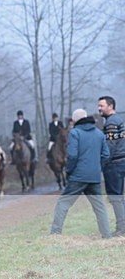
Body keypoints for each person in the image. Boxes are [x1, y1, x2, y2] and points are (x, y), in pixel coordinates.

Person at [49, 109, 111, 238]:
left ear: (75, 120)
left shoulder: (75, 133)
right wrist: (97, 168)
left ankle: (55, 233)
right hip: (94, 177)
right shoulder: (99, 133)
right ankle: (107, 235)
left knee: (63, 203)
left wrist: (69, 171)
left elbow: (72, 155)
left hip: (78, 177)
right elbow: (106, 155)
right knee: (99, 207)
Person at [97, 96, 125, 236]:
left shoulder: (111, 123)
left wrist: (103, 163)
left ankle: (121, 229)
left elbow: (110, 146)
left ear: (111, 106)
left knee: (115, 197)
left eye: (101, 106)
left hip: (115, 164)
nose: (99, 108)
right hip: (122, 161)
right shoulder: (120, 120)